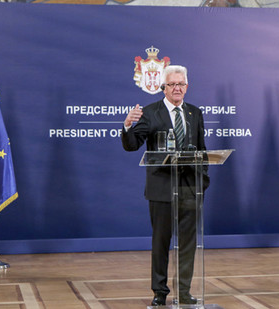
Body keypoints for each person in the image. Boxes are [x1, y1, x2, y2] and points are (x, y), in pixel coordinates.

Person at [121, 65, 209, 306]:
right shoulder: (151, 112)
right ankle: (160, 292)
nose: (177, 88)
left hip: (191, 188)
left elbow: (202, 149)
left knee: (189, 244)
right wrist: (128, 125)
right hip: (162, 189)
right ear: (163, 87)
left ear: (187, 87)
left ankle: (184, 291)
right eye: (172, 84)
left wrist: (203, 179)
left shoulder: (194, 113)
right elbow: (132, 145)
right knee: (161, 243)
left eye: (181, 84)